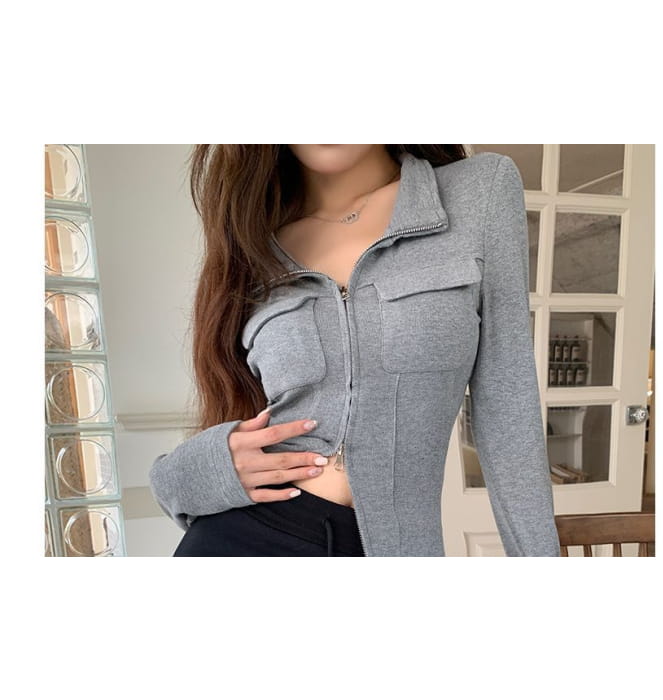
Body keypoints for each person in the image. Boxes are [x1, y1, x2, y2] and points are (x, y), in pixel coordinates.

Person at [149, 144, 561, 557]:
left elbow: (509, 407)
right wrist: (214, 465)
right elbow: (183, 465)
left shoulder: (478, 191)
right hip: (239, 538)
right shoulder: (254, 245)